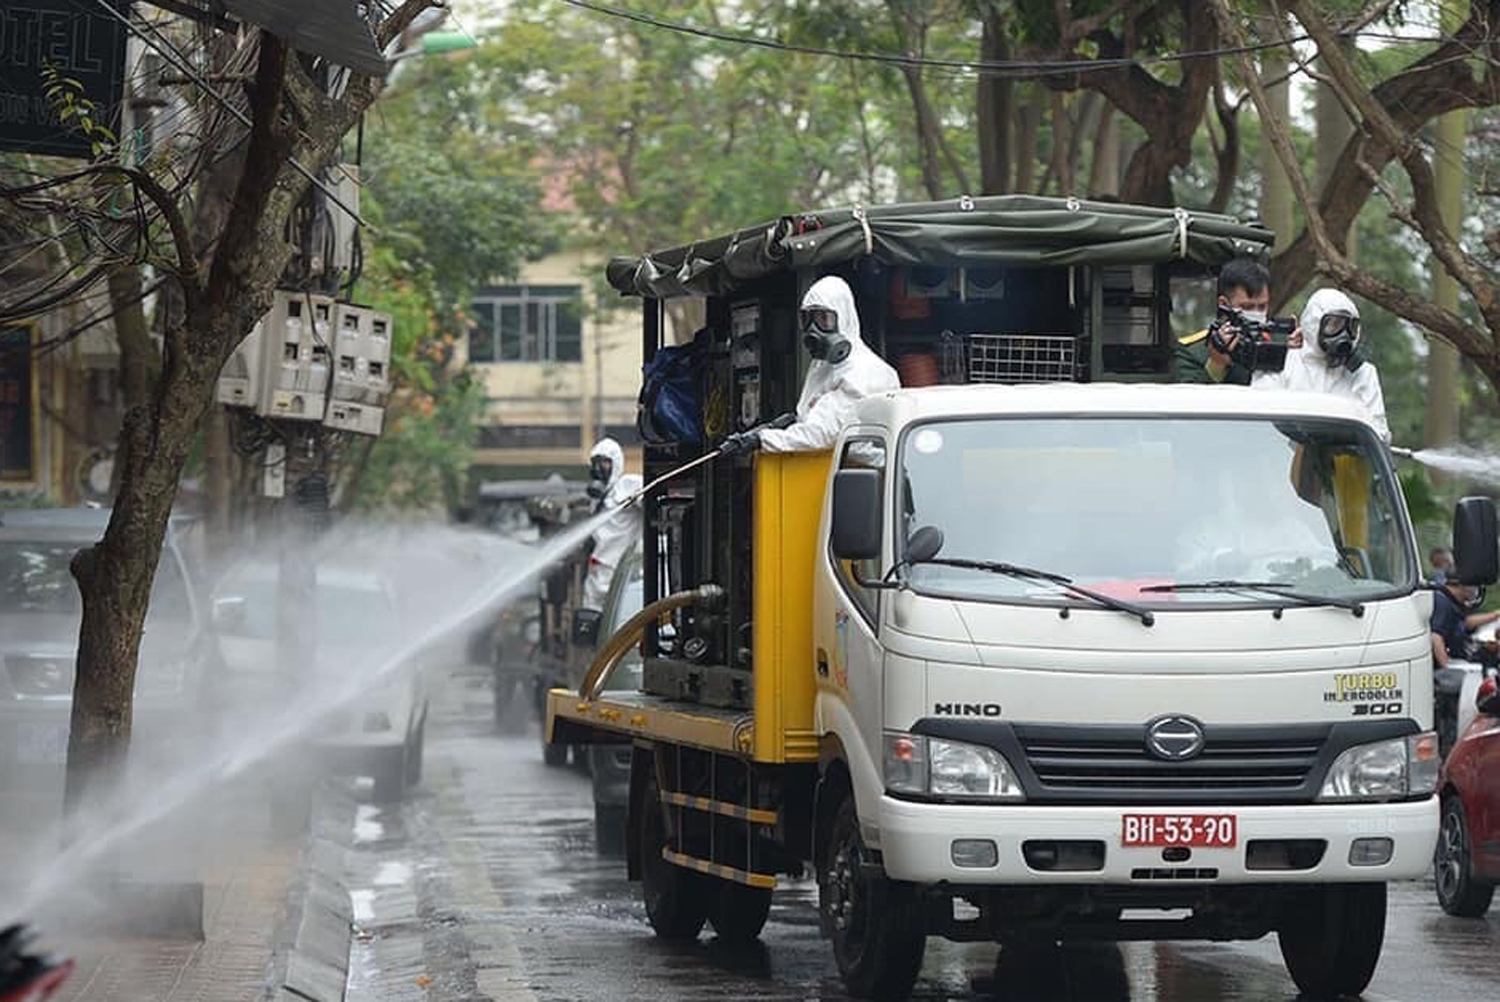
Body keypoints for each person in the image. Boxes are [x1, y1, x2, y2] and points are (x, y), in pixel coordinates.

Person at [721, 275, 899, 455]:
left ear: (844, 318)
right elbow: (811, 418)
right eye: (807, 319)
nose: (813, 330)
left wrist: (762, 439)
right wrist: (786, 423)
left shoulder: (865, 372)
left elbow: (822, 434)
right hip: (830, 469)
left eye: (824, 319)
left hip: (864, 475)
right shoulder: (823, 367)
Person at [1253, 288, 1390, 442]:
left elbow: (1379, 433)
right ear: (1314, 323)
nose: (1343, 335)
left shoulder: (1362, 373)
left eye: (1350, 327)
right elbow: (1261, 419)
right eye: (1335, 325)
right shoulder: (1284, 363)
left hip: (1343, 462)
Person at [1175, 257, 1300, 386]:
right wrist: (1216, 365)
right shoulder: (1194, 353)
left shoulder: (1279, 341)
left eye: (1262, 306)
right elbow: (1192, 402)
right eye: (1247, 307)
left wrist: (1296, 355)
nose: (1256, 313)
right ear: (1224, 304)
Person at [583, 437, 642, 609]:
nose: (598, 468)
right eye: (595, 463)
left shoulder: (628, 486)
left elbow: (653, 505)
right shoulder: (599, 498)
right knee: (590, 619)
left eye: (605, 463)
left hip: (619, 572)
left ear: (616, 463)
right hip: (597, 570)